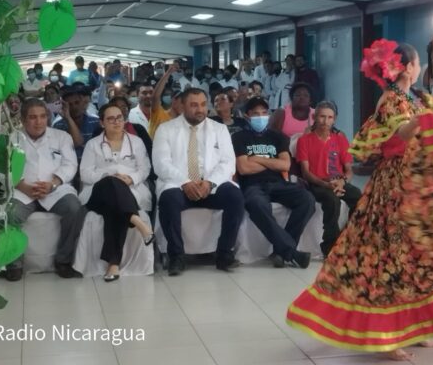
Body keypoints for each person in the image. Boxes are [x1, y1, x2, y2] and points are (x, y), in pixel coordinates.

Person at [287, 39, 433, 359]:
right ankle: (386, 335)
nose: (420, 67)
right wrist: (425, 123)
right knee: (388, 261)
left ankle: (413, 327)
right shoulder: (390, 101)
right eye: (418, 62)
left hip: (414, 186)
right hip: (392, 191)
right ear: (407, 67)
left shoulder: (415, 97)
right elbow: (403, 133)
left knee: (415, 258)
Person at [153, 88, 244, 275]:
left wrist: (210, 183)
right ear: (182, 106)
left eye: (203, 104)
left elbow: (228, 162)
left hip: (209, 185)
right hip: (179, 185)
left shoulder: (219, 129)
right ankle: (176, 256)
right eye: (194, 105)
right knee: (168, 200)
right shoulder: (166, 129)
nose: (200, 109)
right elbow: (161, 164)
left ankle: (224, 254)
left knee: (235, 197)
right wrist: (186, 182)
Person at [7, 99, 86, 281]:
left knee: (74, 209)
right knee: (10, 214)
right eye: (33, 117)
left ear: (48, 118)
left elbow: (70, 164)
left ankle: (63, 261)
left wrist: (54, 182)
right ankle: (14, 264)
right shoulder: (13, 138)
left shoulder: (61, 137)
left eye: (43, 116)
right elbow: (5, 168)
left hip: (55, 189)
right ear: (23, 119)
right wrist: (22, 186)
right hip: (23, 189)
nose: (38, 122)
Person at [232, 96, 315, 269]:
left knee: (307, 200)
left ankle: (281, 251)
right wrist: (271, 162)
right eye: (256, 114)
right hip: (252, 185)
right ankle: (290, 252)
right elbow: (244, 169)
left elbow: (284, 164)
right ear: (247, 116)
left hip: (279, 184)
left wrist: (256, 159)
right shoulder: (239, 137)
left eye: (264, 113)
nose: (261, 117)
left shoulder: (278, 137)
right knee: (256, 204)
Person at [80, 102, 153, 282]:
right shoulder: (92, 144)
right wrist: (108, 175)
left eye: (119, 118)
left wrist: (130, 179)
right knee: (111, 182)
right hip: (98, 193)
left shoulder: (136, 142)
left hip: (130, 190)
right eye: (110, 119)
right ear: (102, 123)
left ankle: (113, 264)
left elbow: (145, 169)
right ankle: (136, 221)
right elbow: (85, 174)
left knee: (115, 211)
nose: (116, 122)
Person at [295, 101, 361, 256]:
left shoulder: (340, 139)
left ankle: (351, 237)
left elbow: (349, 170)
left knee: (360, 198)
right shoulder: (304, 140)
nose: (326, 121)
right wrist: (326, 184)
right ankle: (330, 245)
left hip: (338, 180)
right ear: (314, 117)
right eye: (322, 117)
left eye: (330, 117)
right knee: (332, 200)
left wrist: (341, 182)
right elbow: (306, 173)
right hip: (316, 182)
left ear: (334, 119)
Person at [54, 83, 102, 162]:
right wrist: (68, 118)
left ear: (83, 103)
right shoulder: (58, 125)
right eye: (70, 104)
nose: (74, 107)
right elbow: (75, 143)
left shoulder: (96, 122)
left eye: (77, 103)